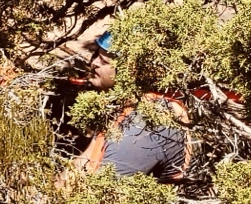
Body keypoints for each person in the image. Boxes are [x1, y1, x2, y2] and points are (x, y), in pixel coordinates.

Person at [75, 32, 193, 182]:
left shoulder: (144, 126)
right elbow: (85, 162)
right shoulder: (126, 105)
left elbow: (104, 191)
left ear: (131, 71)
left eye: (104, 61)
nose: (94, 63)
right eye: (97, 54)